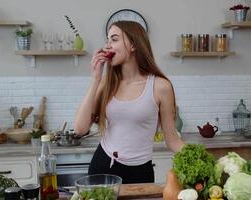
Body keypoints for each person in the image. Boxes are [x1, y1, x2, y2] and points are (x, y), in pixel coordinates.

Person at [74, 20, 184, 184]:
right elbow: (80, 129)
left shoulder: (160, 87)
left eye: (114, 39)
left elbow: (172, 140)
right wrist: (96, 78)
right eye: (108, 40)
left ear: (133, 45)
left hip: (141, 172)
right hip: (103, 166)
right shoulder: (105, 83)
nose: (108, 45)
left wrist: (201, 158)